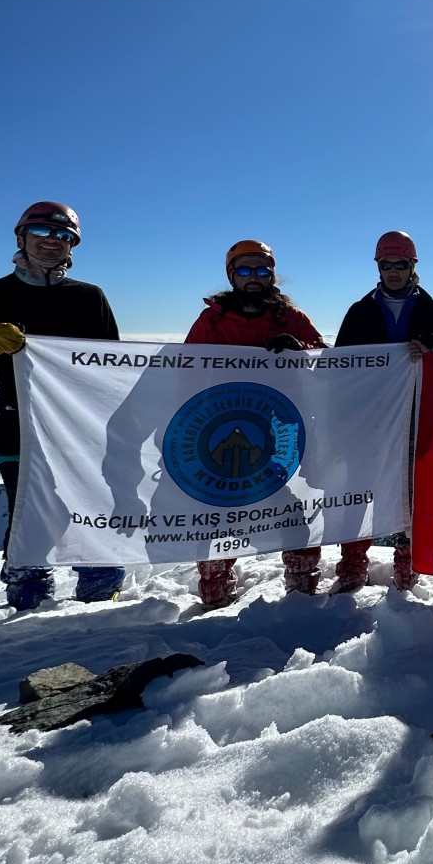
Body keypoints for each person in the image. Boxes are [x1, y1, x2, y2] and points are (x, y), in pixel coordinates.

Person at [184, 240, 326, 607]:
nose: (254, 277)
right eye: (245, 270)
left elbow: (327, 365)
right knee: (219, 512)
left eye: (262, 270)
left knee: (289, 510)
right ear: (232, 275)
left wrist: (301, 350)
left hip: (278, 431)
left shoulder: (291, 318)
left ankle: (302, 587)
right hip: (218, 426)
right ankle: (215, 588)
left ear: (272, 275)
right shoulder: (212, 319)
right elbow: (185, 369)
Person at [0, 201, 125, 610]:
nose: (53, 241)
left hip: (80, 427)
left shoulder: (89, 298)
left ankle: (99, 593)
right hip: (15, 425)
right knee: (26, 512)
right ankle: (28, 594)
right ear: (22, 237)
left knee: (90, 505)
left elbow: (113, 365)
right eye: (42, 232)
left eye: (64, 235)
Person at [333, 231, 433, 592]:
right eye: (386, 264)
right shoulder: (360, 312)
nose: (393, 271)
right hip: (368, 420)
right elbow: (338, 365)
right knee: (359, 490)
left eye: (400, 264)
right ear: (378, 267)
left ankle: (407, 564)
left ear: (412, 266)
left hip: (416, 417)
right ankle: (352, 564)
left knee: (410, 493)